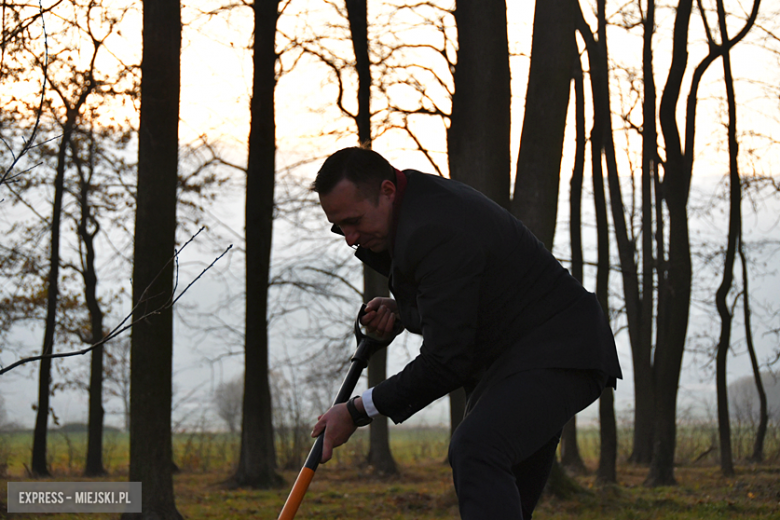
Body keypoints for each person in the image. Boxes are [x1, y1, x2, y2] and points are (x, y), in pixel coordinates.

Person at [310, 147, 622, 519]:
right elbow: (459, 299)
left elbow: (446, 360)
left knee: (476, 448)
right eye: (339, 226)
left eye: (354, 221)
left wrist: (357, 410)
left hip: (558, 352)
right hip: (519, 360)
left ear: (387, 191)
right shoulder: (417, 208)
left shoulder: (436, 227)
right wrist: (404, 309)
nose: (349, 238)